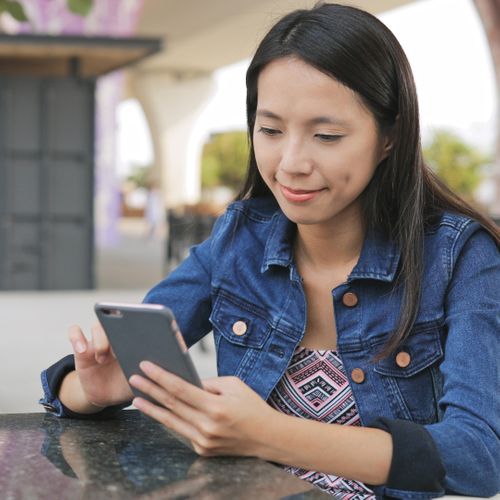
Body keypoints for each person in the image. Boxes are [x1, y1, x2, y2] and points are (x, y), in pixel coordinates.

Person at [39, 3, 500, 498]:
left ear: (389, 136)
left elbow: (477, 457)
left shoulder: (462, 258)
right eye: (271, 130)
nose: (291, 163)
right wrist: (92, 390)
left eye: (326, 135)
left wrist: (269, 434)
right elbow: (98, 372)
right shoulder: (239, 238)